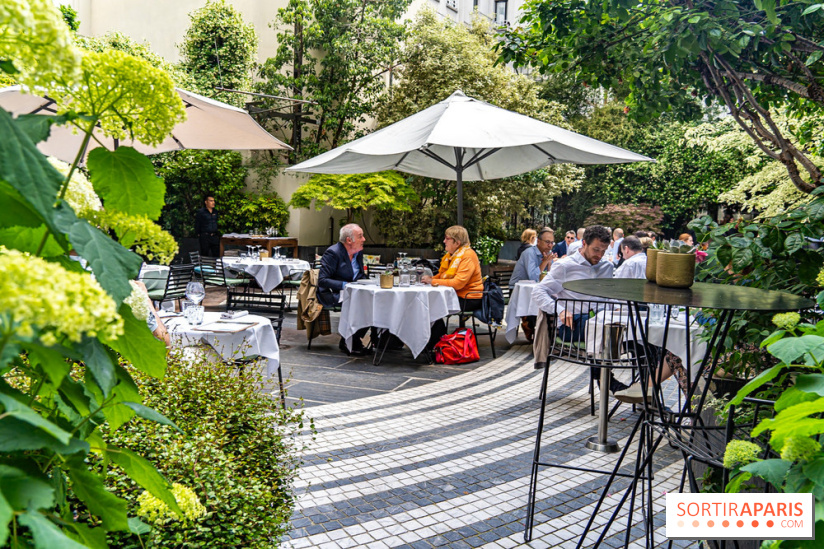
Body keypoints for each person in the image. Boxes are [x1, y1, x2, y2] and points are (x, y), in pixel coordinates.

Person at [532, 225, 628, 394]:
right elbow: (538, 291)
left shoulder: (606, 266)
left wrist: (619, 306)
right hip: (573, 325)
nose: (599, 255)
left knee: (634, 329)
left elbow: (607, 297)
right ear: (584, 243)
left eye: (603, 250)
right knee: (603, 328)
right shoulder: (565, 266)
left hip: (601, 320)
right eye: (596, 249)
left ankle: (645, 388)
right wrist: (560, 310)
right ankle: (606, 380)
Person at [421, 225, 484, 350]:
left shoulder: (468, 256)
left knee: (431, 306)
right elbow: (444, 275)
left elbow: (458, 283)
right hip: (458, 295)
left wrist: (432, 281)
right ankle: (433, 343)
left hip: (469, 298)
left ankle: (437, 344)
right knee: (426, 305)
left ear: (457, 242)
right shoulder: (454, 255)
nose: (444, 241)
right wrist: (429, 279)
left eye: (447, 238)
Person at [318, 223, 372, 356]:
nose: (364, 239)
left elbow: (359, 275)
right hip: (333, 293)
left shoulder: (357, 252)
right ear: (349, 240)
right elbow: (322, 280)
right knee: (361, 305)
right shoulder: (333, 253)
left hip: (354, 292)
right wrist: (346, 285)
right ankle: (350, 341)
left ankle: (375, 339)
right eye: (360, 236)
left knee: (375, 302)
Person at [510, 228, 557, 342]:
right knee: (539, 298)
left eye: (552, 242)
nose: (550, 245)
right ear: (538, 242)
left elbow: (549, 276)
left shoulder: (547, 254)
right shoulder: (529, 253)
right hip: (518, 289)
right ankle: (529, 323)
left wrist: (550, 263)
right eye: (547, 242)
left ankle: (544, 331)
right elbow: (533, 276)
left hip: (535, 288)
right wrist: (545, 262)